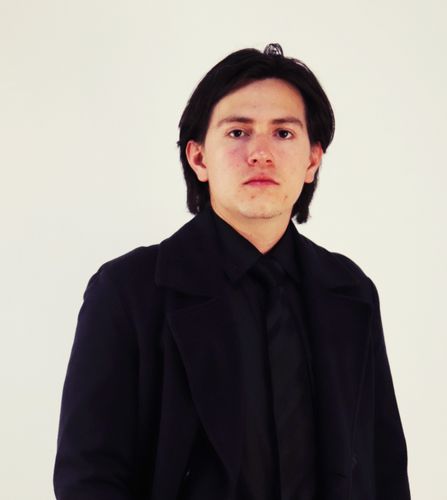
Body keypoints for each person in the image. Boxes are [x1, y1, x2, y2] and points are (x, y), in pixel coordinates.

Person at [53, 43, 411, 500]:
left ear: (312, 160)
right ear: (198, 157)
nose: (260, 153)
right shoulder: (128, 291)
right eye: (238, 132)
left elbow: (384, 468)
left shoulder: (350, 291)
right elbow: (89, 478)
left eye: (283, 133)